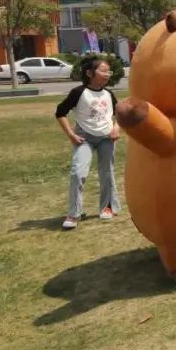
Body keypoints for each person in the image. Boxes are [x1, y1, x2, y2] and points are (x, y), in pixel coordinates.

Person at [54, 56, 122, 230]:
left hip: (107, 138)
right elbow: (60, 112)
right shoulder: (78, 92)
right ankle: (73, 214)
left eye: (109, 71)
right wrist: (71, 134)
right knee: (78, 173)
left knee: (107, 173)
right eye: (103, 71)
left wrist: (116, 128)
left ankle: (107, 207)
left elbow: (119, 114)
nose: (107, 74)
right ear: (89, 73)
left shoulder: (109, 94)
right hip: (84, 139)